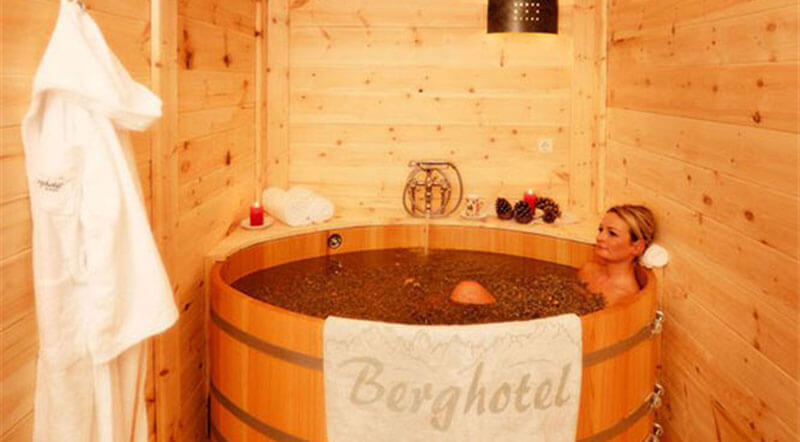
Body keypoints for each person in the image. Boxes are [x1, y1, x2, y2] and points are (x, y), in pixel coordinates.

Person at [578, 205, 656, 307]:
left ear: (637, 247)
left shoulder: (626, 298)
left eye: (612, 233)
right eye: (601, 229)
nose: (599, 237)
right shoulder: (587, 271)